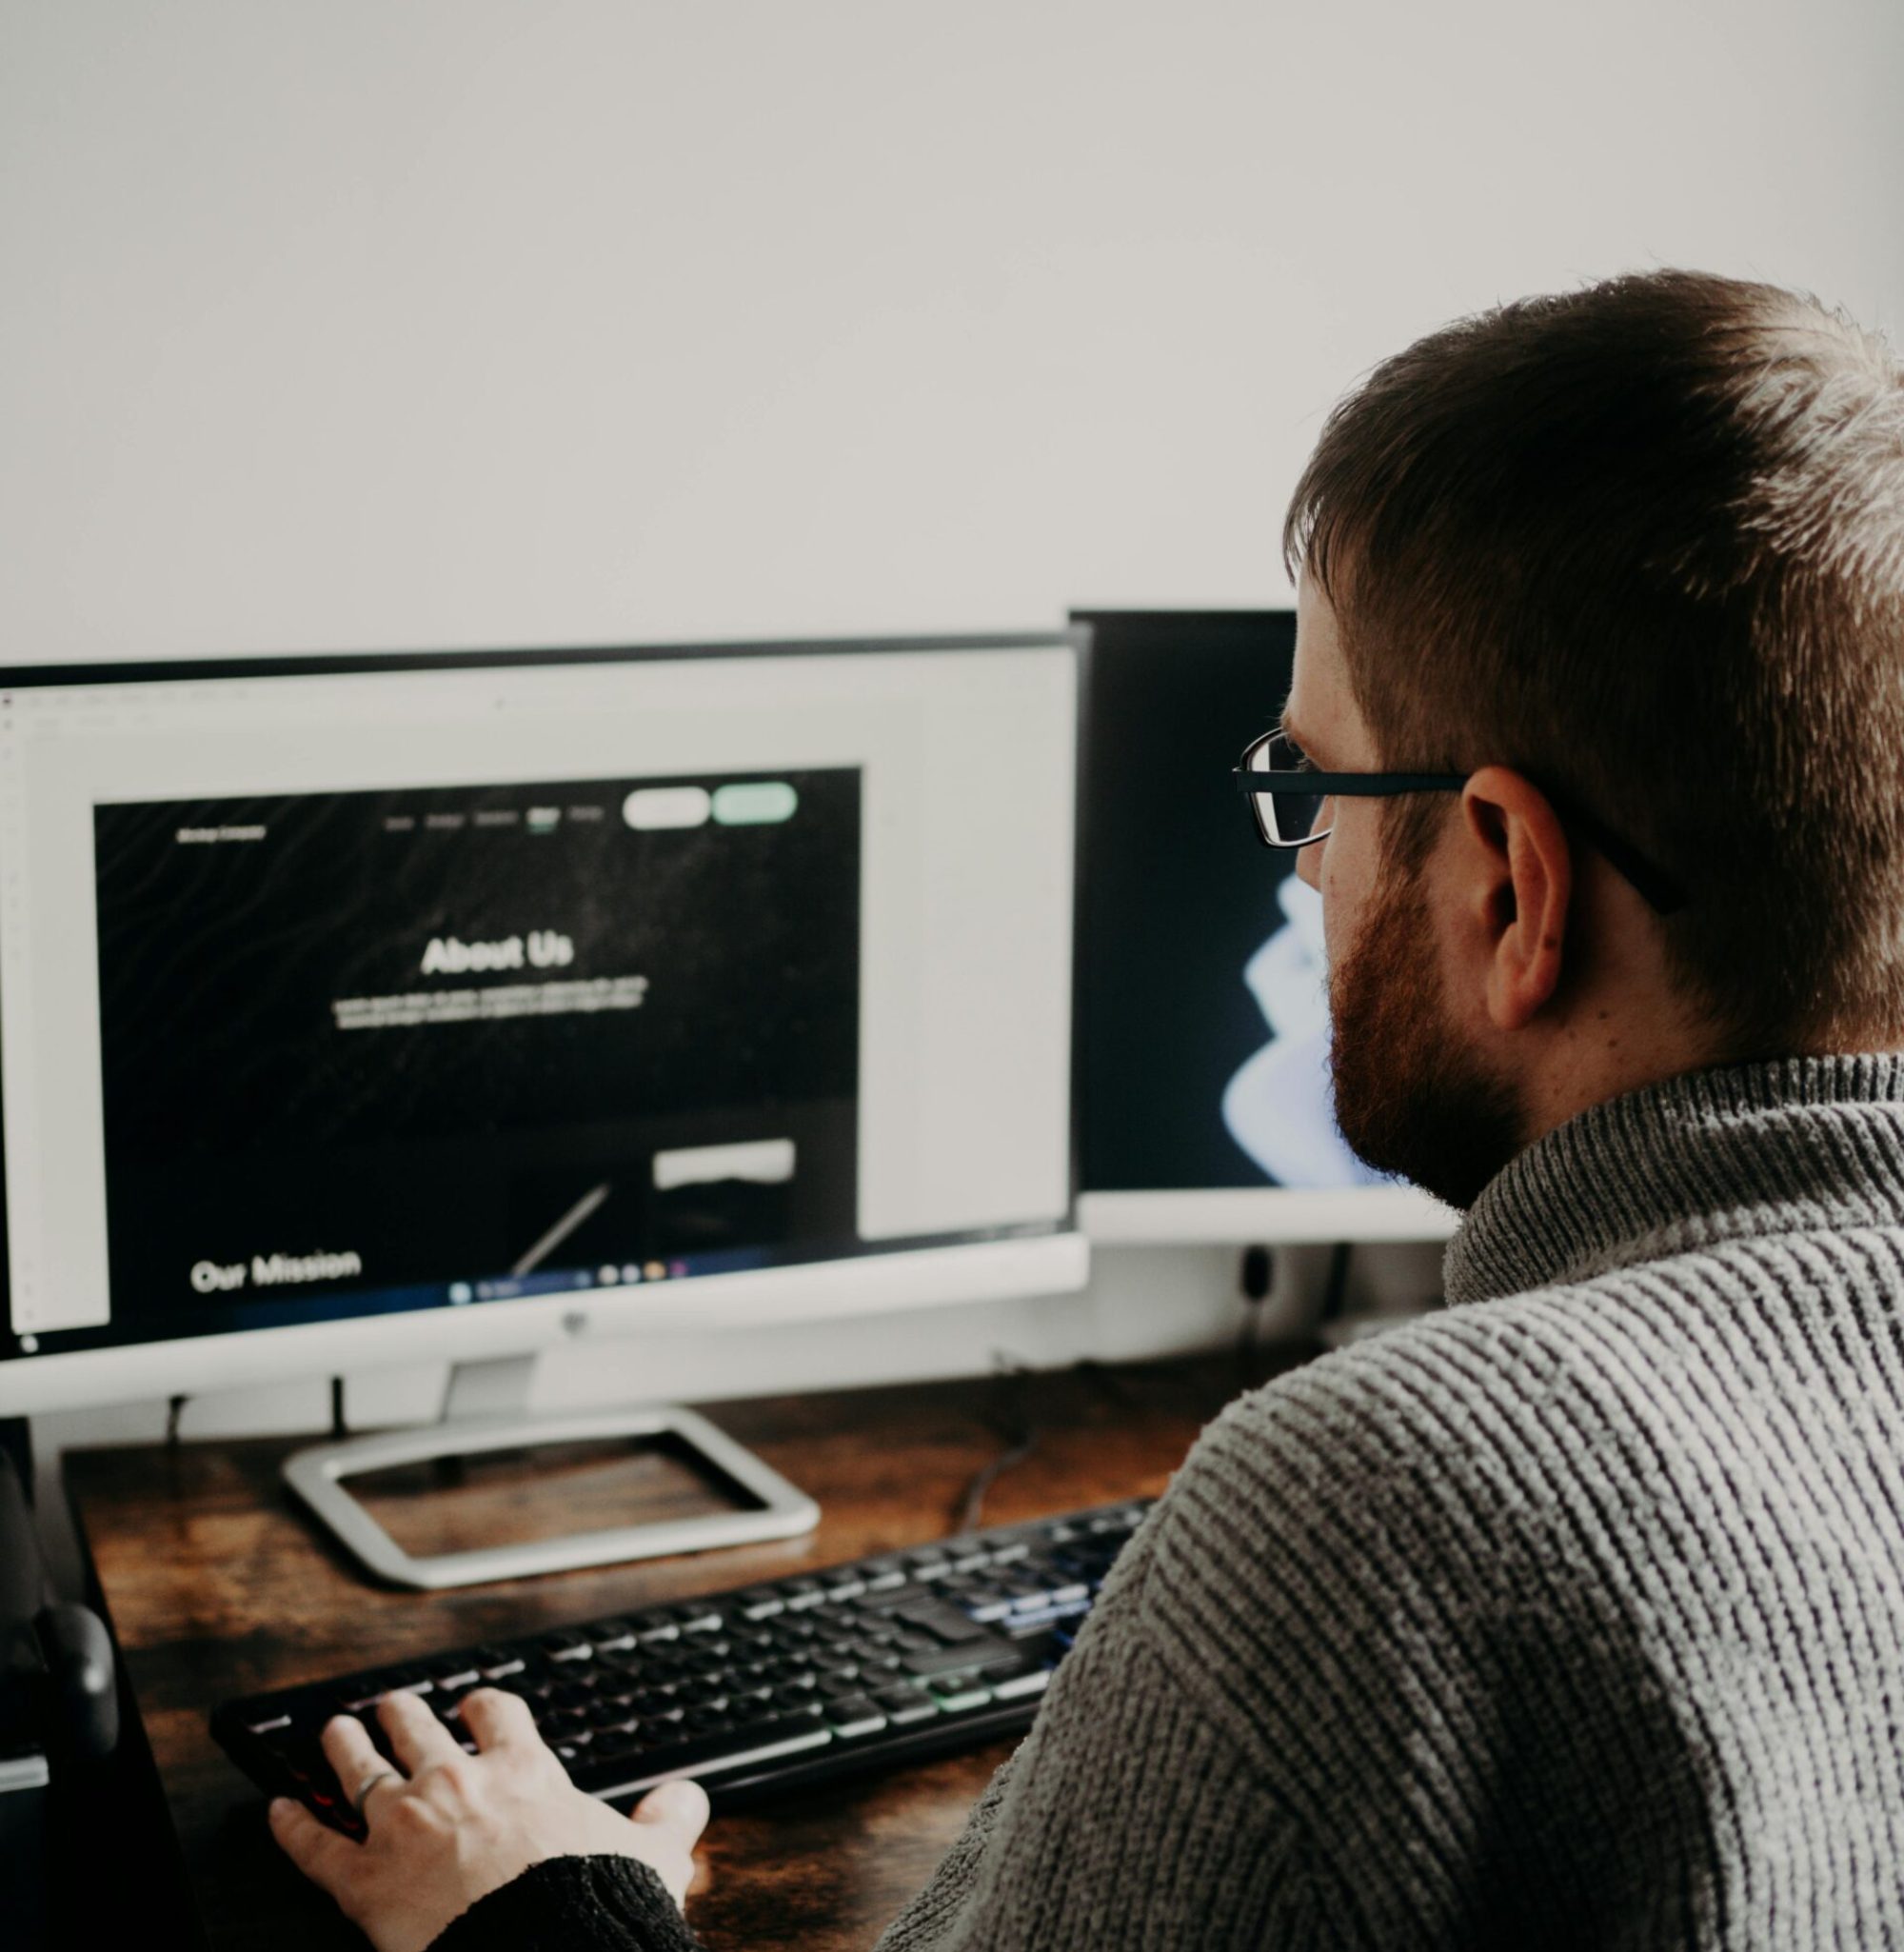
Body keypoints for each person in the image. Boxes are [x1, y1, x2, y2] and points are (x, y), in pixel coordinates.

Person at [272, 268, 1904, 1948]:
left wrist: (546, 1903)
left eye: (1315, 789)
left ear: (1513, 887)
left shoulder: (1391, 1493)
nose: (1313, 863)